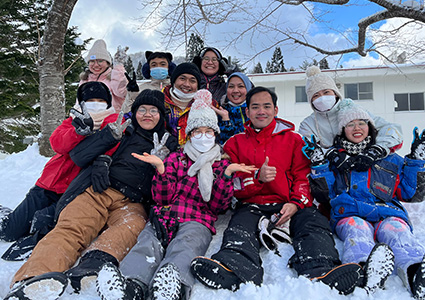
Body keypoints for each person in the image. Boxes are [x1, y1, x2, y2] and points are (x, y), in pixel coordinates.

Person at [190, 86, 368, 295]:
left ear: (276, 110)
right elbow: (234, 184)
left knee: (314, 224)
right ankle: (235, 268)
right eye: (255, 107)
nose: (261, 111)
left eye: (266, 106)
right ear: (247, 112)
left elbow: (303, 175)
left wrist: (296, 202)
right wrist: (257, 178)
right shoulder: (235, 144)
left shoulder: (293, 140)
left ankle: (321, 268)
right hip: (252, 203)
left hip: (289, 202)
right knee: (239, 228)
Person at [3, 89, 178, 300]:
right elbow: (78, 156)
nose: (147, 114)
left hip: (133, 203)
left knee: (128, 230)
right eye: (142, 109)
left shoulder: (170, 143)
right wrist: (102, 154)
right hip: (99, 190)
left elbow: (171, 187)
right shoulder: (122, 130)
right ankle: (30, 280)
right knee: (71, 228)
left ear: (162, 116)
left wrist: (163, 164)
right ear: (135, 112)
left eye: (153, 110)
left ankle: (92, 264)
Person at [95, 89, 256, 300]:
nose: (203, 136)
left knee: (185, 247)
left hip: (198, 220)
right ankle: (129, 285)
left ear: (215, 135)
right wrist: (161, 171)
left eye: (209, 132)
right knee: (147, 244)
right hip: (166, 215)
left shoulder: (221, 163)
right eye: (198, 132)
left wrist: (226, 176)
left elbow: (218, 207)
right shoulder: (177, 158)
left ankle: (172, 286)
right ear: (189, 135)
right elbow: (162, 198)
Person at [303, 101, 425, 298]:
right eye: (350, 124)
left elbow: (412, 193)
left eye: (362, 122)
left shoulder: (389, 158)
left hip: (387, 213)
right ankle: (360, 270)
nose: (357, 128)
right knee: (356, 230)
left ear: (370, 127)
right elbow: (325, 194)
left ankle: (416, 271)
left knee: (397, 232)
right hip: (349, 213)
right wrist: (319, 165)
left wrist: (417, 162)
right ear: (343, 130)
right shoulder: (336, 160)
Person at [0, 82, 118, 260]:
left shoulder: (114, 123)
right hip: (50, 183)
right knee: (9, 231)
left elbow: (113, 150)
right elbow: (56, 143)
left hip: (76, 192)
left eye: (100, 100)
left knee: (44, 226)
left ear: (108, 103)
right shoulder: (73, 120)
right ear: (82, 102)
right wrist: (77, 132)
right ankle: (5, 213)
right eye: (90, 100)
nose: (95, 103)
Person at [299, 65, 403, 173]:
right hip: (333, 175)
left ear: (335, 93)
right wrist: (330, 153)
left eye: (326, 92)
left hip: (368, 171)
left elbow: (391, 129)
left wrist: (376, 150)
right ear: (311, 100)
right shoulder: (308, 124)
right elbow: (306, 147)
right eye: (316, 95)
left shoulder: (353, 112)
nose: (322, 98)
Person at [162, 62, 219, 146]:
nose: (186, 84)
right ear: (174, 80)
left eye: (192, 81)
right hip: (166, 156)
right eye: (182, 79)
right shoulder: (160, 101)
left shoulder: (209, 105)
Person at [79, 39, 128, 111]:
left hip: (111, 119)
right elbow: (79, 103)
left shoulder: (114, 77)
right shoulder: (84, 80)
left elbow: (122, 92)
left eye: (100, 61)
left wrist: (118, 66)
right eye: (92, 61)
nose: (96, 65)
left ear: (108, 63)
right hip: (89, 120)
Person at [211, 72, 253, 144]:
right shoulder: (219, 112)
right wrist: (226, 120)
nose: (235, 90)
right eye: (231, 86)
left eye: (241, 86)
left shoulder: (256, 111)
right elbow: (223, 143)